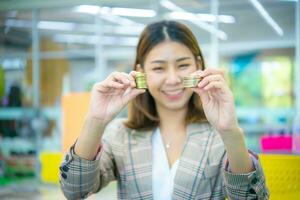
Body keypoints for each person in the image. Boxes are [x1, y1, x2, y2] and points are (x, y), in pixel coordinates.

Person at [59, 20, 269, 200]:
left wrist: (230, 131)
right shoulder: (121, 135)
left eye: (183, 65)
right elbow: (75, 190)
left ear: (198, 64)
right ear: (141, 72)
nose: (173, 79)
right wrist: (95, 120)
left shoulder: (219, 135)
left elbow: (253, 197)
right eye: (159, 68)